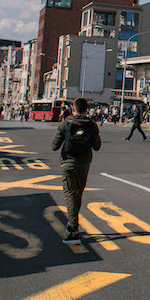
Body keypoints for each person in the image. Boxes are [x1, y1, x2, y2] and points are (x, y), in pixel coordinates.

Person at [51, 97, 101, 244]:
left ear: (73, 108)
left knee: (71, 195)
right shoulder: (92, 124)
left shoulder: (65, 123)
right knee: (77, 193)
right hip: (84, 163)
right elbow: (97, 146)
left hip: (68, 162)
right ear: (86, 109)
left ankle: (73, 229)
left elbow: (54, 145)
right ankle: (73, 225)